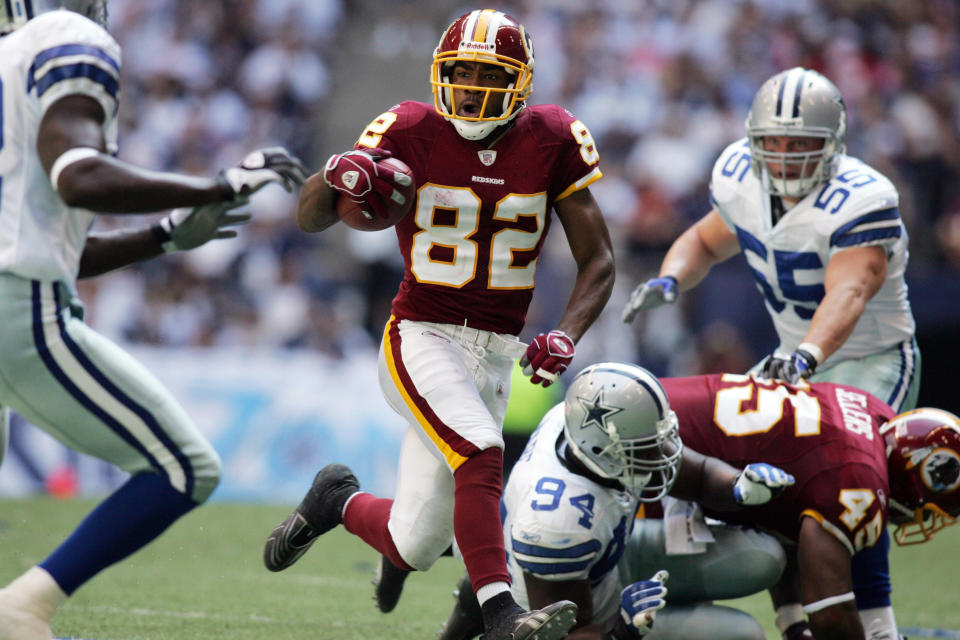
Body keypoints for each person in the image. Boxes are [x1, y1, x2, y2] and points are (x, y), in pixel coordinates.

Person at [262, 9, 615, 640]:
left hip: (498, 351)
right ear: (439, 75)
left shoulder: (554, 137)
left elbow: (600, 259)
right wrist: (335, 172)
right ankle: (500, 614)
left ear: (522, 84)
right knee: (481, 448)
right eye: (463, 74)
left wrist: (568, 331)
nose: (474, 90)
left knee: (418, 540)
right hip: (420, 334)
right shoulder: (410, 126)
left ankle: (333, 502)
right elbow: (311, 217)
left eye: (490, 76)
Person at [0, 2, 306, 638]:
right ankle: (23, 606)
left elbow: (47, 238)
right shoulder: (64, 37)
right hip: (14, 306)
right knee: (184, 467)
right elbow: (78, 177)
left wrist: (165, 236)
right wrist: (215, 185)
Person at [620, 67, 920, 634]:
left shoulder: (863, 196)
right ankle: (793, 622)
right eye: (773, 143)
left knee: (848, 483)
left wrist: (807, 354)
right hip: (793, 359)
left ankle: (878, 624)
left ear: (832, 144)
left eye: (800, 144)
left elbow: (851, 289)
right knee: (759, 478)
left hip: (868, 357)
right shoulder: (738, 174)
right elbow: (706, 239)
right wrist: (672, 279)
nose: (784, 157)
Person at [384, 362, 796, 640]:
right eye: (648, 446)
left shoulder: (591, 433)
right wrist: (622, 627)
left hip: (608, 560)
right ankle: (482, 600)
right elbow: (572, 631)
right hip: (569, 608)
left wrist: (739, 486)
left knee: (765, 556)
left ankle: (476, 592)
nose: (664, 452)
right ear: (603, 451)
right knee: (742, 635)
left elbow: (701, 475)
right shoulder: (557, 520)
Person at [659, 373, 960, 639]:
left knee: (766, 553)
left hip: (658, 407)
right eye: (929, 511)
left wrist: (792, 624)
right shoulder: (860, 478)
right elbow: (830, 616)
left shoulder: (872, 412)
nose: (921, 518)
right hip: (655, 461)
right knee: (735, 612)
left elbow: (789, 507)